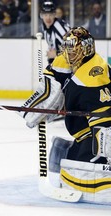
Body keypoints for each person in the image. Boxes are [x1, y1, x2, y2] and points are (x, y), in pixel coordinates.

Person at [20, 27, 111, 204]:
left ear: (86, 48)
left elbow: (105, 128)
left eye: (74, 49)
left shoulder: (94, 77)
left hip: (98, 134)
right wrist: (32, 109)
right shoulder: (68, 60)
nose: (69, 54)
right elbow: (50, 85)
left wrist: (103, 158)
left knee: (83, 166)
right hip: (83, 132)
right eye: (68, 48)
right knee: (63, 157)